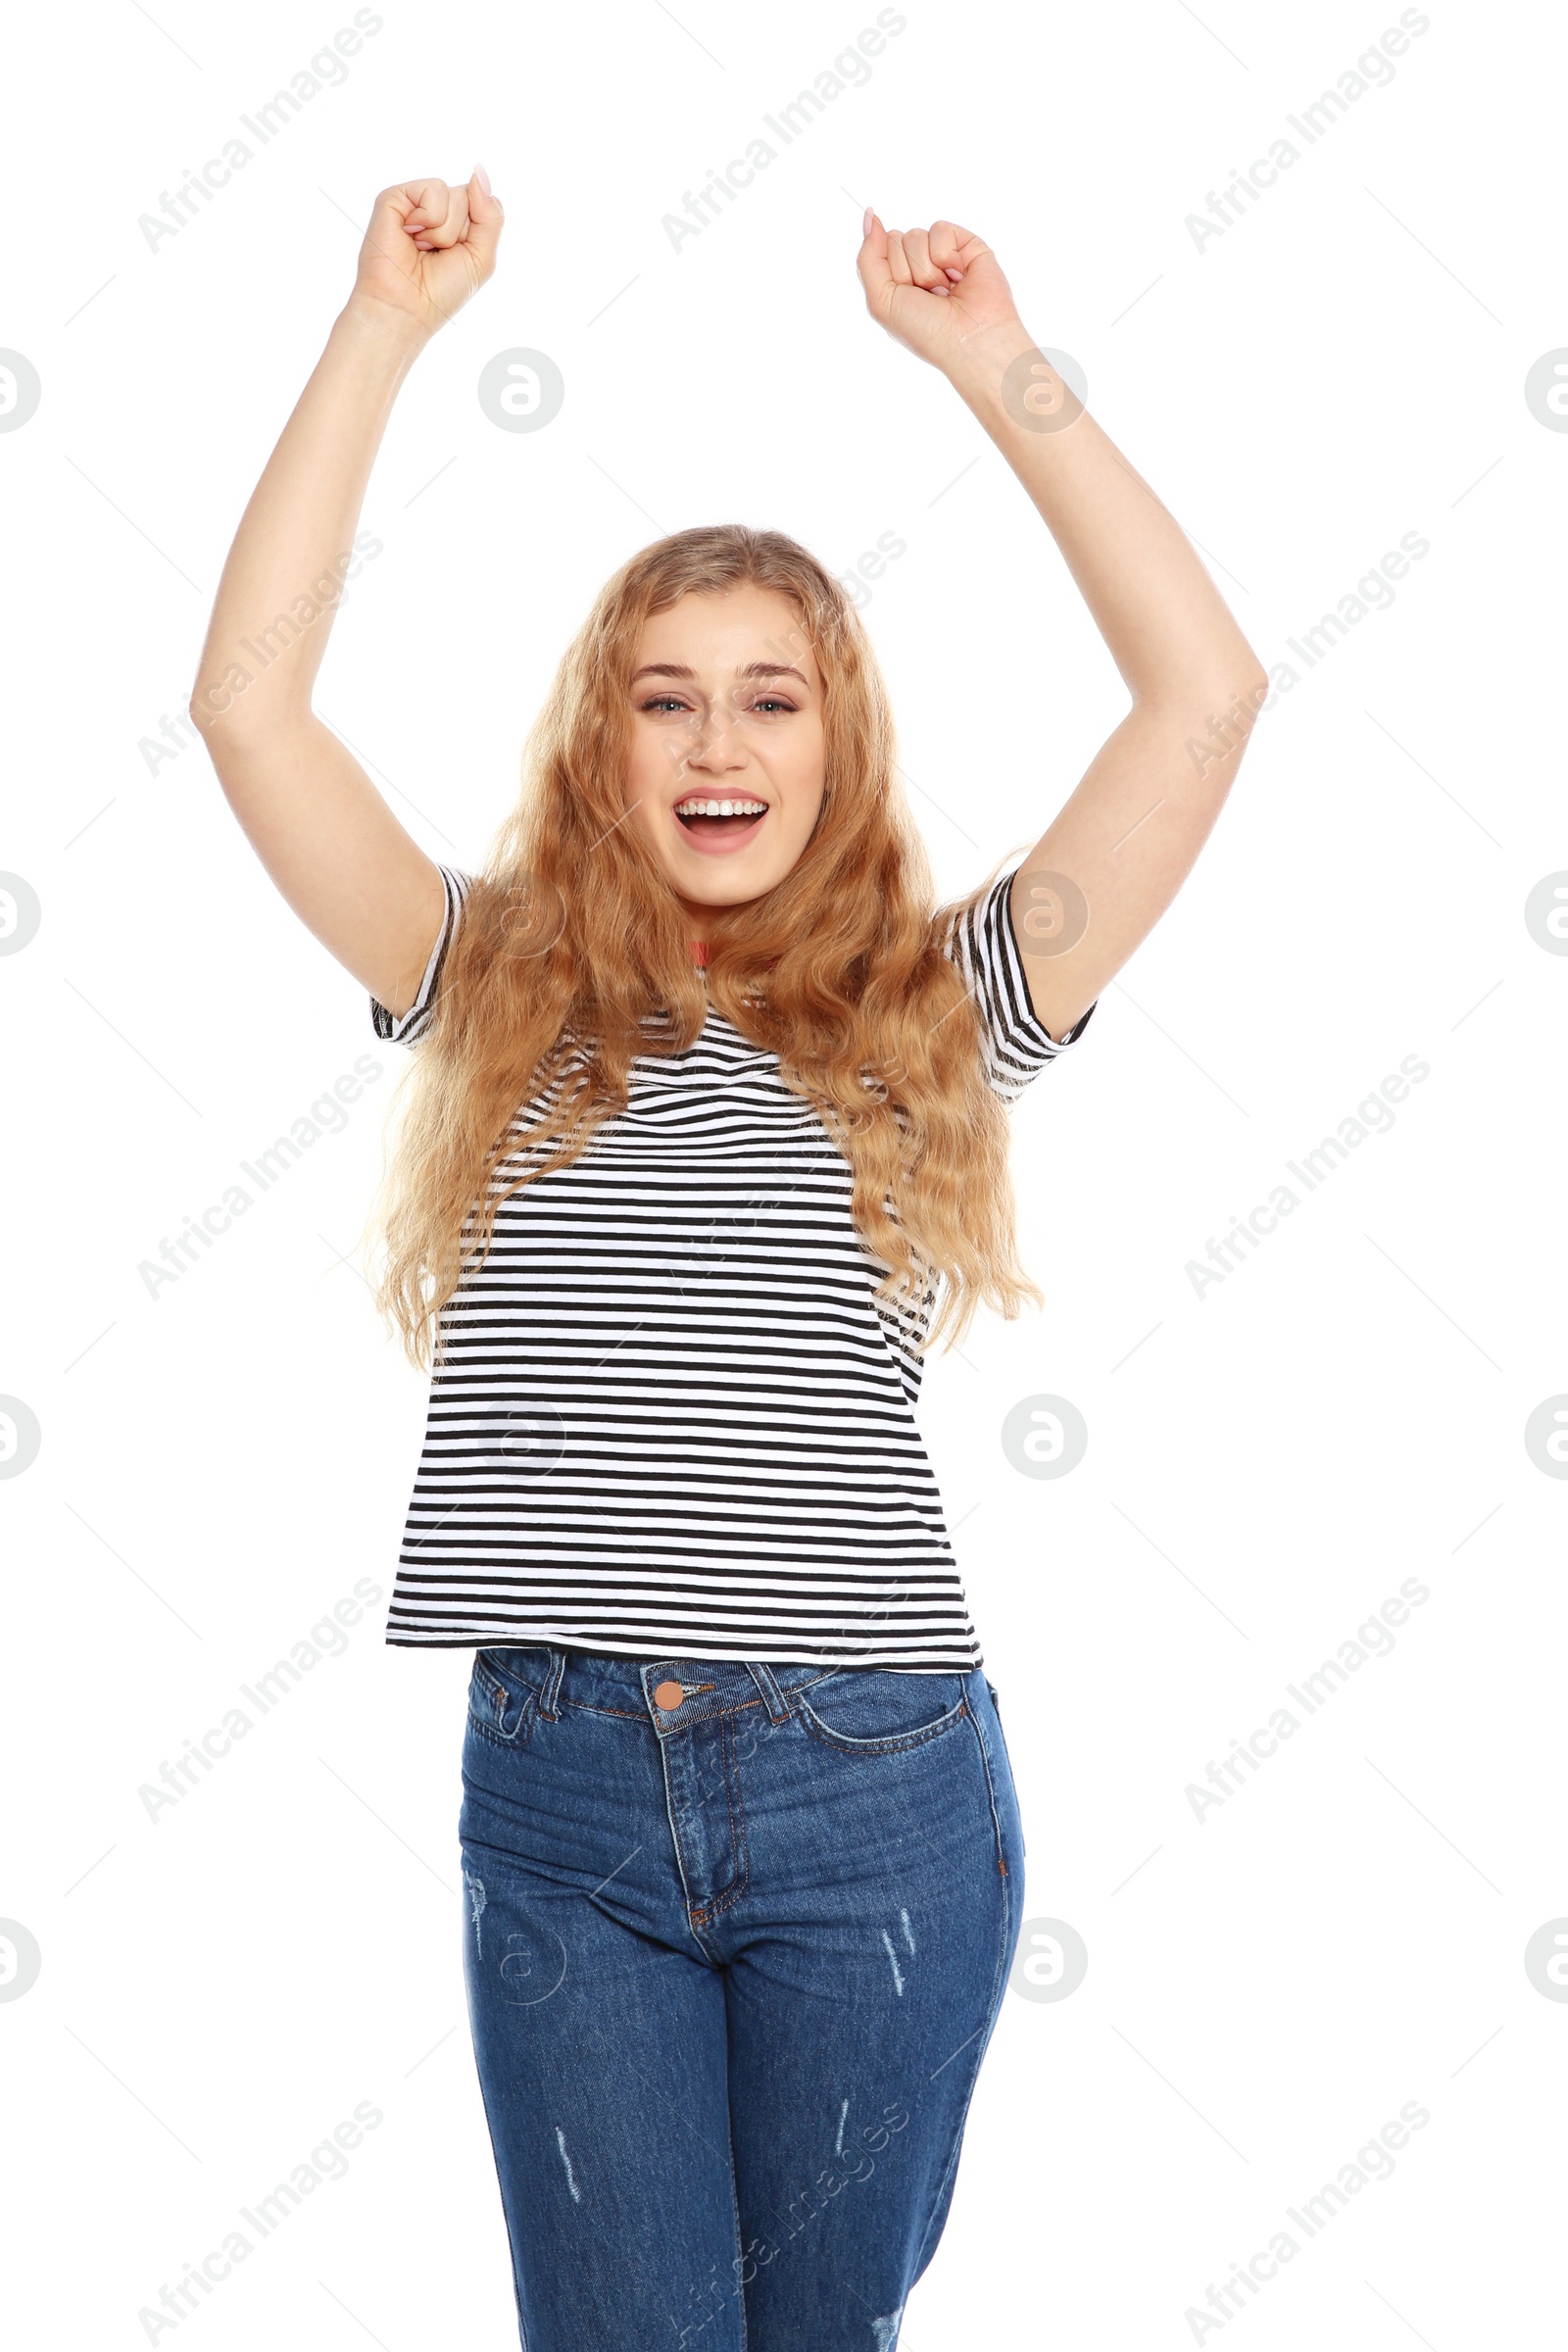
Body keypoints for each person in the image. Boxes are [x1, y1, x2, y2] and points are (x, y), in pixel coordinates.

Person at [192, 170, 1265, 2351]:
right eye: (664, 699)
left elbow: (1202, 702)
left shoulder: (931, 1003)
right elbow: (247, 715)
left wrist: (997, 369)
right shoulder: (491, 982)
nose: (715, 745)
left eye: (769, 700)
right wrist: (381, 332)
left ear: (833, 744)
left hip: (865, 1786)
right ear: (605, 745)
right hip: (562, 1784)